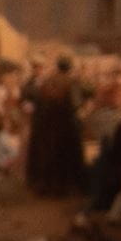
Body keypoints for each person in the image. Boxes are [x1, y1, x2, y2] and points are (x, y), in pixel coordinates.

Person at [23, 56, 85, 196]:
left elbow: (38, 103)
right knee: (67, 154)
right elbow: (76, 104)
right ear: (69, 68)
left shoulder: (46, 81)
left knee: (49, 155)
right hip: (64, 126)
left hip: (45, 126)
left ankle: (46, 186)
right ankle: (66, 187)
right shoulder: (70, 82)